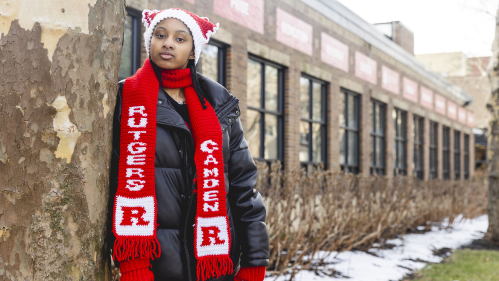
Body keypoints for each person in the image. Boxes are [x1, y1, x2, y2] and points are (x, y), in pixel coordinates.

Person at [106, 8, 269, 281]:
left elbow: (243, 186)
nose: (168, 43)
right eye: (160, 35)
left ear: (194, 51)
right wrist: (133, 264)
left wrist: (254, 260)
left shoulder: (219, 103)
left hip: (215, 265)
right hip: (156, 264)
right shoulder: (126, 98)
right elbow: (112, 181)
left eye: (180, 39)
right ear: (150, 42)